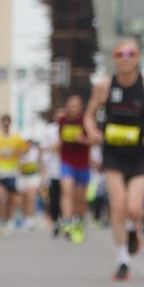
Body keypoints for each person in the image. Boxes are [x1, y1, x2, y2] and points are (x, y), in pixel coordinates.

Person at [90, 36, 144, 277]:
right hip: (113, 155)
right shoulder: (105, 86)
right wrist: (91, 130)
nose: (126, 59)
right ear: (114, 59)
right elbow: (89, 114)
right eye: (121, 55)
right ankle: (122, 259)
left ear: (138, 58)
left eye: (131, 55)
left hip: (139, 155)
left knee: (135, 208)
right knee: (118, 206)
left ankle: (132, 228)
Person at [54, 89, 95, 244]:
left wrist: (82, 139)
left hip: (83, 164)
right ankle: (66, 222)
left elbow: (94, 140)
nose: (72, 108)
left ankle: (78, 222)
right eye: (70, 105)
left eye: (75, 106)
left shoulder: (86, 120)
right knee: (67, 190)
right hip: (67, 162)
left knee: (80, 198)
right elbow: (60, 141)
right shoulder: (62, 120)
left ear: (80, 107)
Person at [0, 113, 25, 229]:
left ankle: (8, 220)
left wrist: (16, 154)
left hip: (12, 171)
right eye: (3, 122)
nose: (5, 125)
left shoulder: (16, 138)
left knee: (10, 199)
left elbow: (23, 151)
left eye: (7, 122)